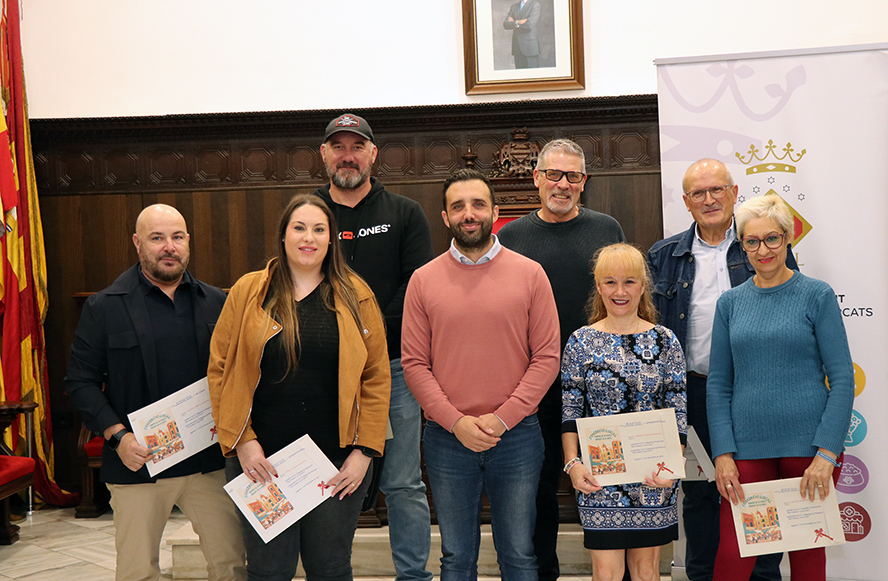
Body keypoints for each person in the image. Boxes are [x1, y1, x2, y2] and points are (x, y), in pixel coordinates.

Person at [208, 194, 391, 581]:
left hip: (335, 462)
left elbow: (376, 378)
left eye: (319, 229)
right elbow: (220, 369)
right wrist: (243, 440)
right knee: (269, 570)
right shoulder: (248, 291)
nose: (309, 237)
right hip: (260, 460)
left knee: (330, 569)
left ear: (331, 239)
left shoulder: (357, 295)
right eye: (300, 228)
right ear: (283, 235)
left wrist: (364, 452)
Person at [64, 204, 246, 581]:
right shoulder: (105, 306)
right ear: (137, 243)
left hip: (208, 464)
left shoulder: (218, 302)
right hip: (137, 462)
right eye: (157, 238)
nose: (169, 247)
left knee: (230, 566)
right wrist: (118, 437)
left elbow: (239, 375)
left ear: (188, 241)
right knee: (137, 572)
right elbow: (79, 381)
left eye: (177, 237)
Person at [402, 169, 560, 581]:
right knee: (456, 557)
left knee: (520, 555)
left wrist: (502, 418)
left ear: (494, 211)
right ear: (445, 217)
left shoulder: (531, 274)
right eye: (458, 206)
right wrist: (455, 422)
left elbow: (546, 358)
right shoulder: (423, 280)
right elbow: (414, 363)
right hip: (447, 439)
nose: (468, 214)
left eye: (477, 204)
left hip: (517, 436)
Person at [646, 159, 791, 581]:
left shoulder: (758, 244)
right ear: (686, 201)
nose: (708, 199)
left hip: (756, 393)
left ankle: (764, 576)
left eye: (717, 190)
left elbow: (790, 307)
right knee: (700, 494)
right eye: (698, 193)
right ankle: (703, 575)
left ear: (734, 193)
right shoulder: (663, 256)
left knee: (759, 493)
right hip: (693, 393)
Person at [707, 194, 854, 581]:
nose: (763, 250)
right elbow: (719, 384)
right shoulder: (729, 304)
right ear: (742, 246)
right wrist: (722, 454)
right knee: (732, 559)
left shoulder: (817, 295)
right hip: (746, 450)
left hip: (810, 452)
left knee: (808, 563)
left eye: (772, 238)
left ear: (788, 238)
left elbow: (842, 378)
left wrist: (827, 453)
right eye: (752, 241)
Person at [313, 113, 434, 581]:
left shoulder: (405, 212)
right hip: (324, 372)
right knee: (331, 476)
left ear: (373, 154)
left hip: (395, 368)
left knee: (403, 482)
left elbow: (415, 286)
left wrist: (366, 336)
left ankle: (413, 576)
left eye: (357, 147)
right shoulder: (309, 214)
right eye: (338, 147)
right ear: (324, 154)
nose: (348, 156)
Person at [498, 138, 625, 581]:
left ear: (584, 181)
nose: (563, 184)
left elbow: (623, 297)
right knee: (537, 491)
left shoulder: (607, 228)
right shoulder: (509, 237)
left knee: (611, 482)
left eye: (573, 176)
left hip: (600, 386)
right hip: (535, 387)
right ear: (536, 178)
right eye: (553, 174)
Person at [561, 243, 687, 581]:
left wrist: (672, 469)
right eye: (611, 282)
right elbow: (571, 410)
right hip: (599, 477)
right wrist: (572, 464)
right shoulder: (580, 342)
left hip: (653, 476)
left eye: (629, 282)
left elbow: (678, 411)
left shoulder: (666, 342)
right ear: (598, 286)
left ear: (643, 286)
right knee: (606, 574)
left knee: (646, 573)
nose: (620, 292)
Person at [503, 0, 541, 68]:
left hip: (530, 47)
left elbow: (529, 25)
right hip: (517, 47)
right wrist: (518, 22)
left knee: (532, 73)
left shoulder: (535, 5)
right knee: (520, 73)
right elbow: (505, 24)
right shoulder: (514, 7)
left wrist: (513, 23)